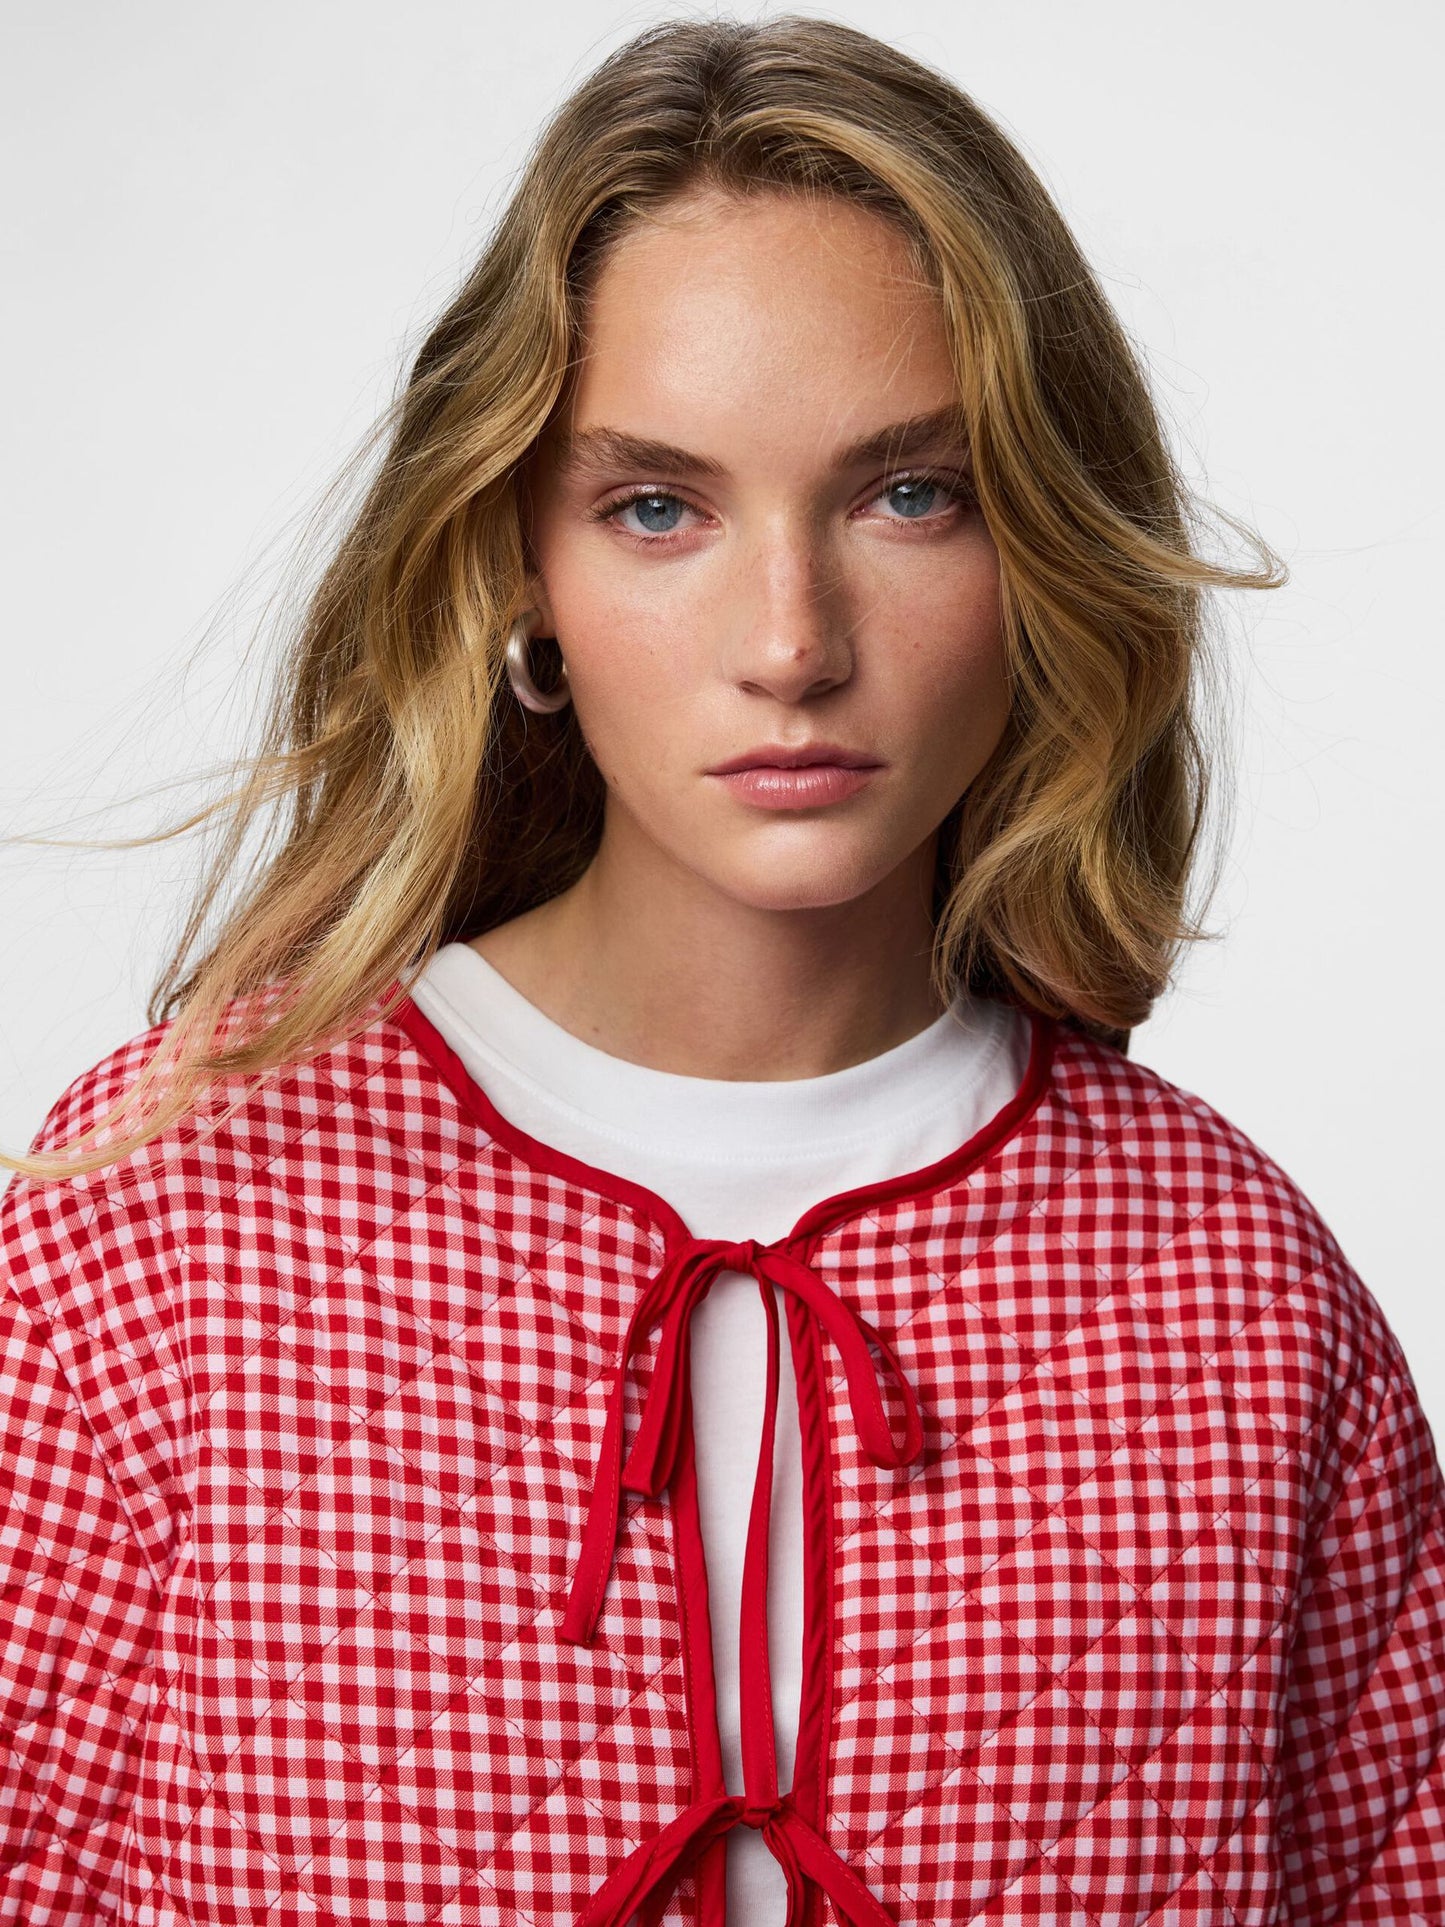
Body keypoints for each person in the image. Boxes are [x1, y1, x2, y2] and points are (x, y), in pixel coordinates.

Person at [2, 15, 1441, 1927]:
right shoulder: (155, 1227)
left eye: (905, 494)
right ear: (519, 564)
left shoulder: (1232, 1290)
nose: (789, 640)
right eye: (656, 507)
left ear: (1044, 550)